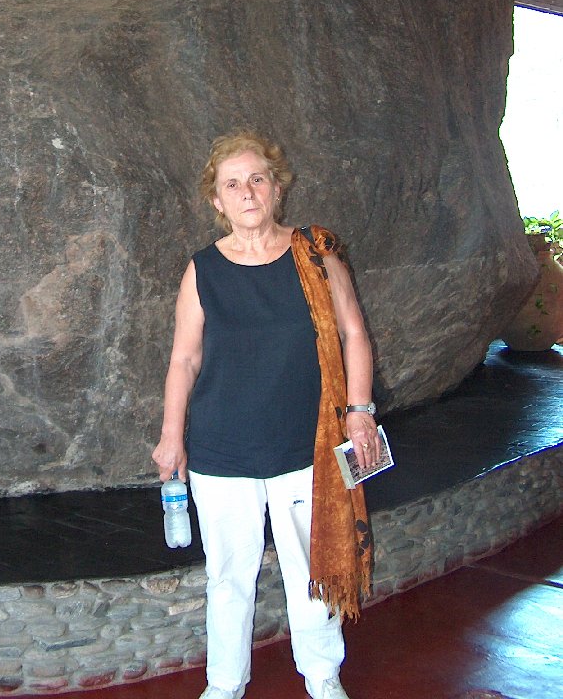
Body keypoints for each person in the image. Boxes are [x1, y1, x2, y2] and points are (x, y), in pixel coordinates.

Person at [152, 130, 380, 699]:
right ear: (217, 200)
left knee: (314, 567)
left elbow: (354, 334)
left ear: (278, 188)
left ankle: (322, 674)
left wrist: (359, 411)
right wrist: (172, 436)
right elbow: (184, 358)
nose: (247, 192)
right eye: (233, 184)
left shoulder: (317, 257)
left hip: (306, 445)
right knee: (228, 576)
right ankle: (225, 684)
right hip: (222, 449)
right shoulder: (203, 270)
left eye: (257, 179)